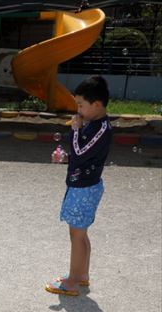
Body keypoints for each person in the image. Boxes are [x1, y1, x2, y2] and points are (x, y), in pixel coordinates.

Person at [45, 76, 112, 296]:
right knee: (80, 234)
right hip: (83, 184)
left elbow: (81, 153)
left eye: (81, 105)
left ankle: (72, 282)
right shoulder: (93, 123)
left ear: (97, 104)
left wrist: (74, 130)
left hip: (85, 188)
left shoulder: (101, 128)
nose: (78, 110)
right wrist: (68, 157)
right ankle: (81, 275)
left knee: (77, 235)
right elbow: (82, 153)